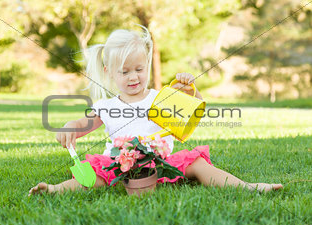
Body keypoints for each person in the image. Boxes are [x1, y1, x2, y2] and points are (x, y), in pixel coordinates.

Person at [29, 25, 283, 196]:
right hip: (119, 166)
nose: (133, 77)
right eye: (124, 72)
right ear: (109, 73)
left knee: (196, 163)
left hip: (160, 163)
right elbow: (81, 124)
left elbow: (195, 110)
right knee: (94, 175)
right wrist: (68, 128)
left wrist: (189, 90)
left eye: (139, 69)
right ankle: (54, 189)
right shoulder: (106, 107)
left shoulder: (158, 98)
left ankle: (248, 187)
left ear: (147, 65)